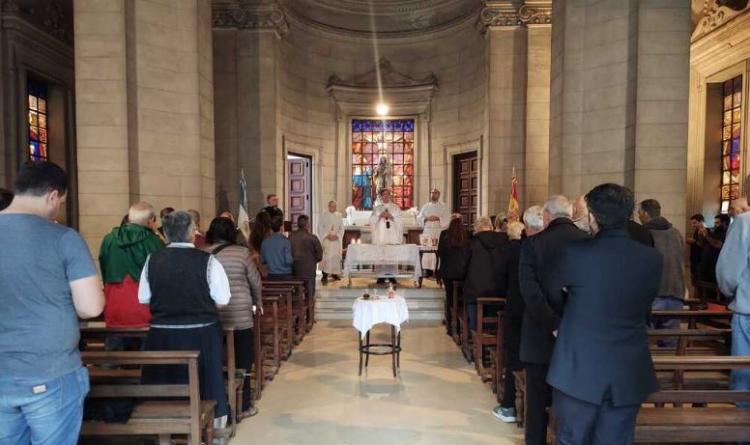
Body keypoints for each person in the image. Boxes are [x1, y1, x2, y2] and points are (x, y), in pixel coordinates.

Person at [548, 183, 662, 444]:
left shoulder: (573, 253)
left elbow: (555, 297)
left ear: (592, 216)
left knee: (571, 438)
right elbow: (645, 305)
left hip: (578, 367)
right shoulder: (652, 258)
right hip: (628, 367)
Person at [0, 161, 104, 445]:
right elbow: (91, 307)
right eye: (60, 202)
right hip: (49, 371)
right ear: (51, 195)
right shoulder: (64, 238)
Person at [137, 211, 231, 428]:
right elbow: (222, 299)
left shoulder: (153, 259)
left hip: (163, 335)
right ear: (192, 233)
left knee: (164, 378)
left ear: (167, 235)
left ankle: (163, 423)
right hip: (202, 334)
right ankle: (211, 427)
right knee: (206, 380)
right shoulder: (208, 260)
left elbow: (144, 297)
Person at [519, 195, 588, 445]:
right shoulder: (589, 242)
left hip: (539, 336)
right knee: (574, 401)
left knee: (536, 402)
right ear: (570, 214)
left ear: (546, 216)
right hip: (578, 337)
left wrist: (554, 324)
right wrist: (567, 324)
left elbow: (529, 291)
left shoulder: (532, 244)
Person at [204, 216, 263, 419]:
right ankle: (243, 405)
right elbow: (255, 282)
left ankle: (218, 406)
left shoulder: (204, 254)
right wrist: (259, 303)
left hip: (214, 316)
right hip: (240, 315)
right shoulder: (242, 253)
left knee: (216, 360)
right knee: (243, 360)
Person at [99, 202, 164, 330]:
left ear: (129, 218)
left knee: (114, 348)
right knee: (148, 349)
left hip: (114, 304)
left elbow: (104, 268)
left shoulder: (109, 239)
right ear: (151, 221)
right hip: (145, 307)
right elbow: (161, 277)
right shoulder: (154, 241)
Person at [492, 220, 528, 423]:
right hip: (541, 317)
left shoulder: (509, 251)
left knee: (515, 354)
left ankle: (510, 405)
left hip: (516, 308)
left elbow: (500, 278)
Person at [717, 209, 750, 406]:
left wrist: (733, 292)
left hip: (748, 311)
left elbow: (728, 272)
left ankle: (744, 434)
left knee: (745, 382)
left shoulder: (745, 222)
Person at [639, 199, 685, 337]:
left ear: (645, 213)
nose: (639, 216)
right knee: (670, 340)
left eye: (639, 212)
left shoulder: (644, 234)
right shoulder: (676, 233)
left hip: (653, 293)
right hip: (676, 290)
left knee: (645, 339)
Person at [463, 216, 507, 332]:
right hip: (499, 290)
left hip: (476, 291)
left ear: (476, 228)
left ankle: (476, 334)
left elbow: (464, 265)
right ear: (491, 227)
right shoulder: (504, 241)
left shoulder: (471, 243)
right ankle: (494, 337)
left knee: (472, 302)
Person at [437, 214, 470, 335]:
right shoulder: (467, 234)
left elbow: (440, 252)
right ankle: (461, 325)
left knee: (450, 297)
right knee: (461, 298)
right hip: (463, 272)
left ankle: (452, 327)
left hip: (448, 272)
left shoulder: (445, 234)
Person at [369, 189, 403, 283]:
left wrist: (391, 216)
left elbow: (400, 221)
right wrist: (380, 216)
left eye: (387, 194)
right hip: (381, 236)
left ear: (390, 196)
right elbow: (371, 221)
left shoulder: (396, 208)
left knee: (391, 255)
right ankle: (381, 276)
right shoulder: (377, 208)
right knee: (381, 255)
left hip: (392, 236)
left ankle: (392, 276)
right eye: (384, 195)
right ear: (381, 197)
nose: (386, 196)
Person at [289, 214, 323, 301]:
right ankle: (310, 310)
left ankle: (297, 311)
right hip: (309, 271)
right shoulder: (312, 237)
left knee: (297, 293)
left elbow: (288, 252)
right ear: (307, 224)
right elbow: (319, 255)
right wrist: (313, 261)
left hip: (295, 270)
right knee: (310, 294)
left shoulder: (291, 237)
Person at [418, 188, 450, 273]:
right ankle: (427, 270)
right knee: (427, 250)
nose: (433, 194)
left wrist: (438, 218)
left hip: (438, 231)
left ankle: (438, 269)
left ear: (439, 195)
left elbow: (447, 218)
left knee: (437, 249)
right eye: (432, 192)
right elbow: (419, 217)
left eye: (435, 193)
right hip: (428, 231)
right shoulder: (426, 206)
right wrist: (426, 218)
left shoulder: (443, 206)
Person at [699, 213, 730, 284]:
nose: (715, 224)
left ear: (724, 223)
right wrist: (701, 235)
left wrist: (706, 236)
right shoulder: (715, 232)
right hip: (706, 265)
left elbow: (718, 244)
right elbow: (703, 244)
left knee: (711, 290)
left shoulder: (727, 233)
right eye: (714, 222)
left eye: (717, 223)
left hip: (715, 267)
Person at [261, 214, 294, 280]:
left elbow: (263, 260)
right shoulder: (285, 242)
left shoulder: (264, 242)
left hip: (271, 275)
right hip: (285, 275)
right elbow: (288, 261)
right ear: (281, 227)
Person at [319, 200, 344, 283]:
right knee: (326, 256)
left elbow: (341, 228)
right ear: (328, 206)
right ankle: (324, 275)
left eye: (335, 206)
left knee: (335, 257)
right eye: (332, 206)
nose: (333, 208)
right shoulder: (324, 215)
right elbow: (320, 227)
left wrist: (337, 235)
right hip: (327, 239)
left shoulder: (339, 215)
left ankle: (335, 274)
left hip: (336, 240)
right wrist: (327, 235)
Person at [687, 213, 706, 283]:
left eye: (694, 223)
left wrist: (694, 241)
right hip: (694, 258)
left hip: (700, 260)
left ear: (701, 221)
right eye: (692, 223)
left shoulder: (705, 231)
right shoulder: (697, 230)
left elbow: (704, 245)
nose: (693, 225)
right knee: (694, 279)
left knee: (698, 281)